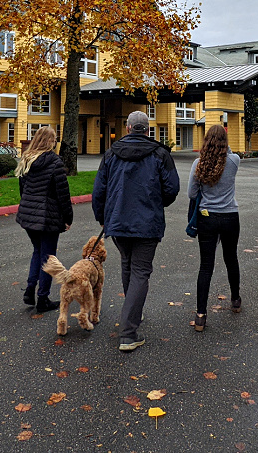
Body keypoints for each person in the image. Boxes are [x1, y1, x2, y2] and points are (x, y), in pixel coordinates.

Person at [92, 110, 180, 351]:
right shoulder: (160, 154)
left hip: (118, 221)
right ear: (147, 129)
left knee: (128, 265)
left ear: (128, 128)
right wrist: (156, 203)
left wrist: (102, 217)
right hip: (146, 222)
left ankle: (133, 314)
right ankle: (129, 332)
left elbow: (99, 189)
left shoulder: (111, 154)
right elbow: (172, 188)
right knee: (140, 270)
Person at [188, 124, 241, 332]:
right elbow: (230, 153)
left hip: (206, 217)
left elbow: (192, 194)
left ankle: (201, 315)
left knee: (206, 266)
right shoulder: (234, 161)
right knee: (231, 259)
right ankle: (235, 300)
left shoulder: (198, 164)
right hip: (229, 216)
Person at [15, 126, 73, 314]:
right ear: (51, 141)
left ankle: (30, 289)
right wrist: (68, 217)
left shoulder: (27, 160)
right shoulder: (55, 163)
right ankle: (43, 298)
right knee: (48, 258)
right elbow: (62, 195)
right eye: (54, 139)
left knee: (37, 251)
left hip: (28, 214)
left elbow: (22, 190)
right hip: (48, 217)